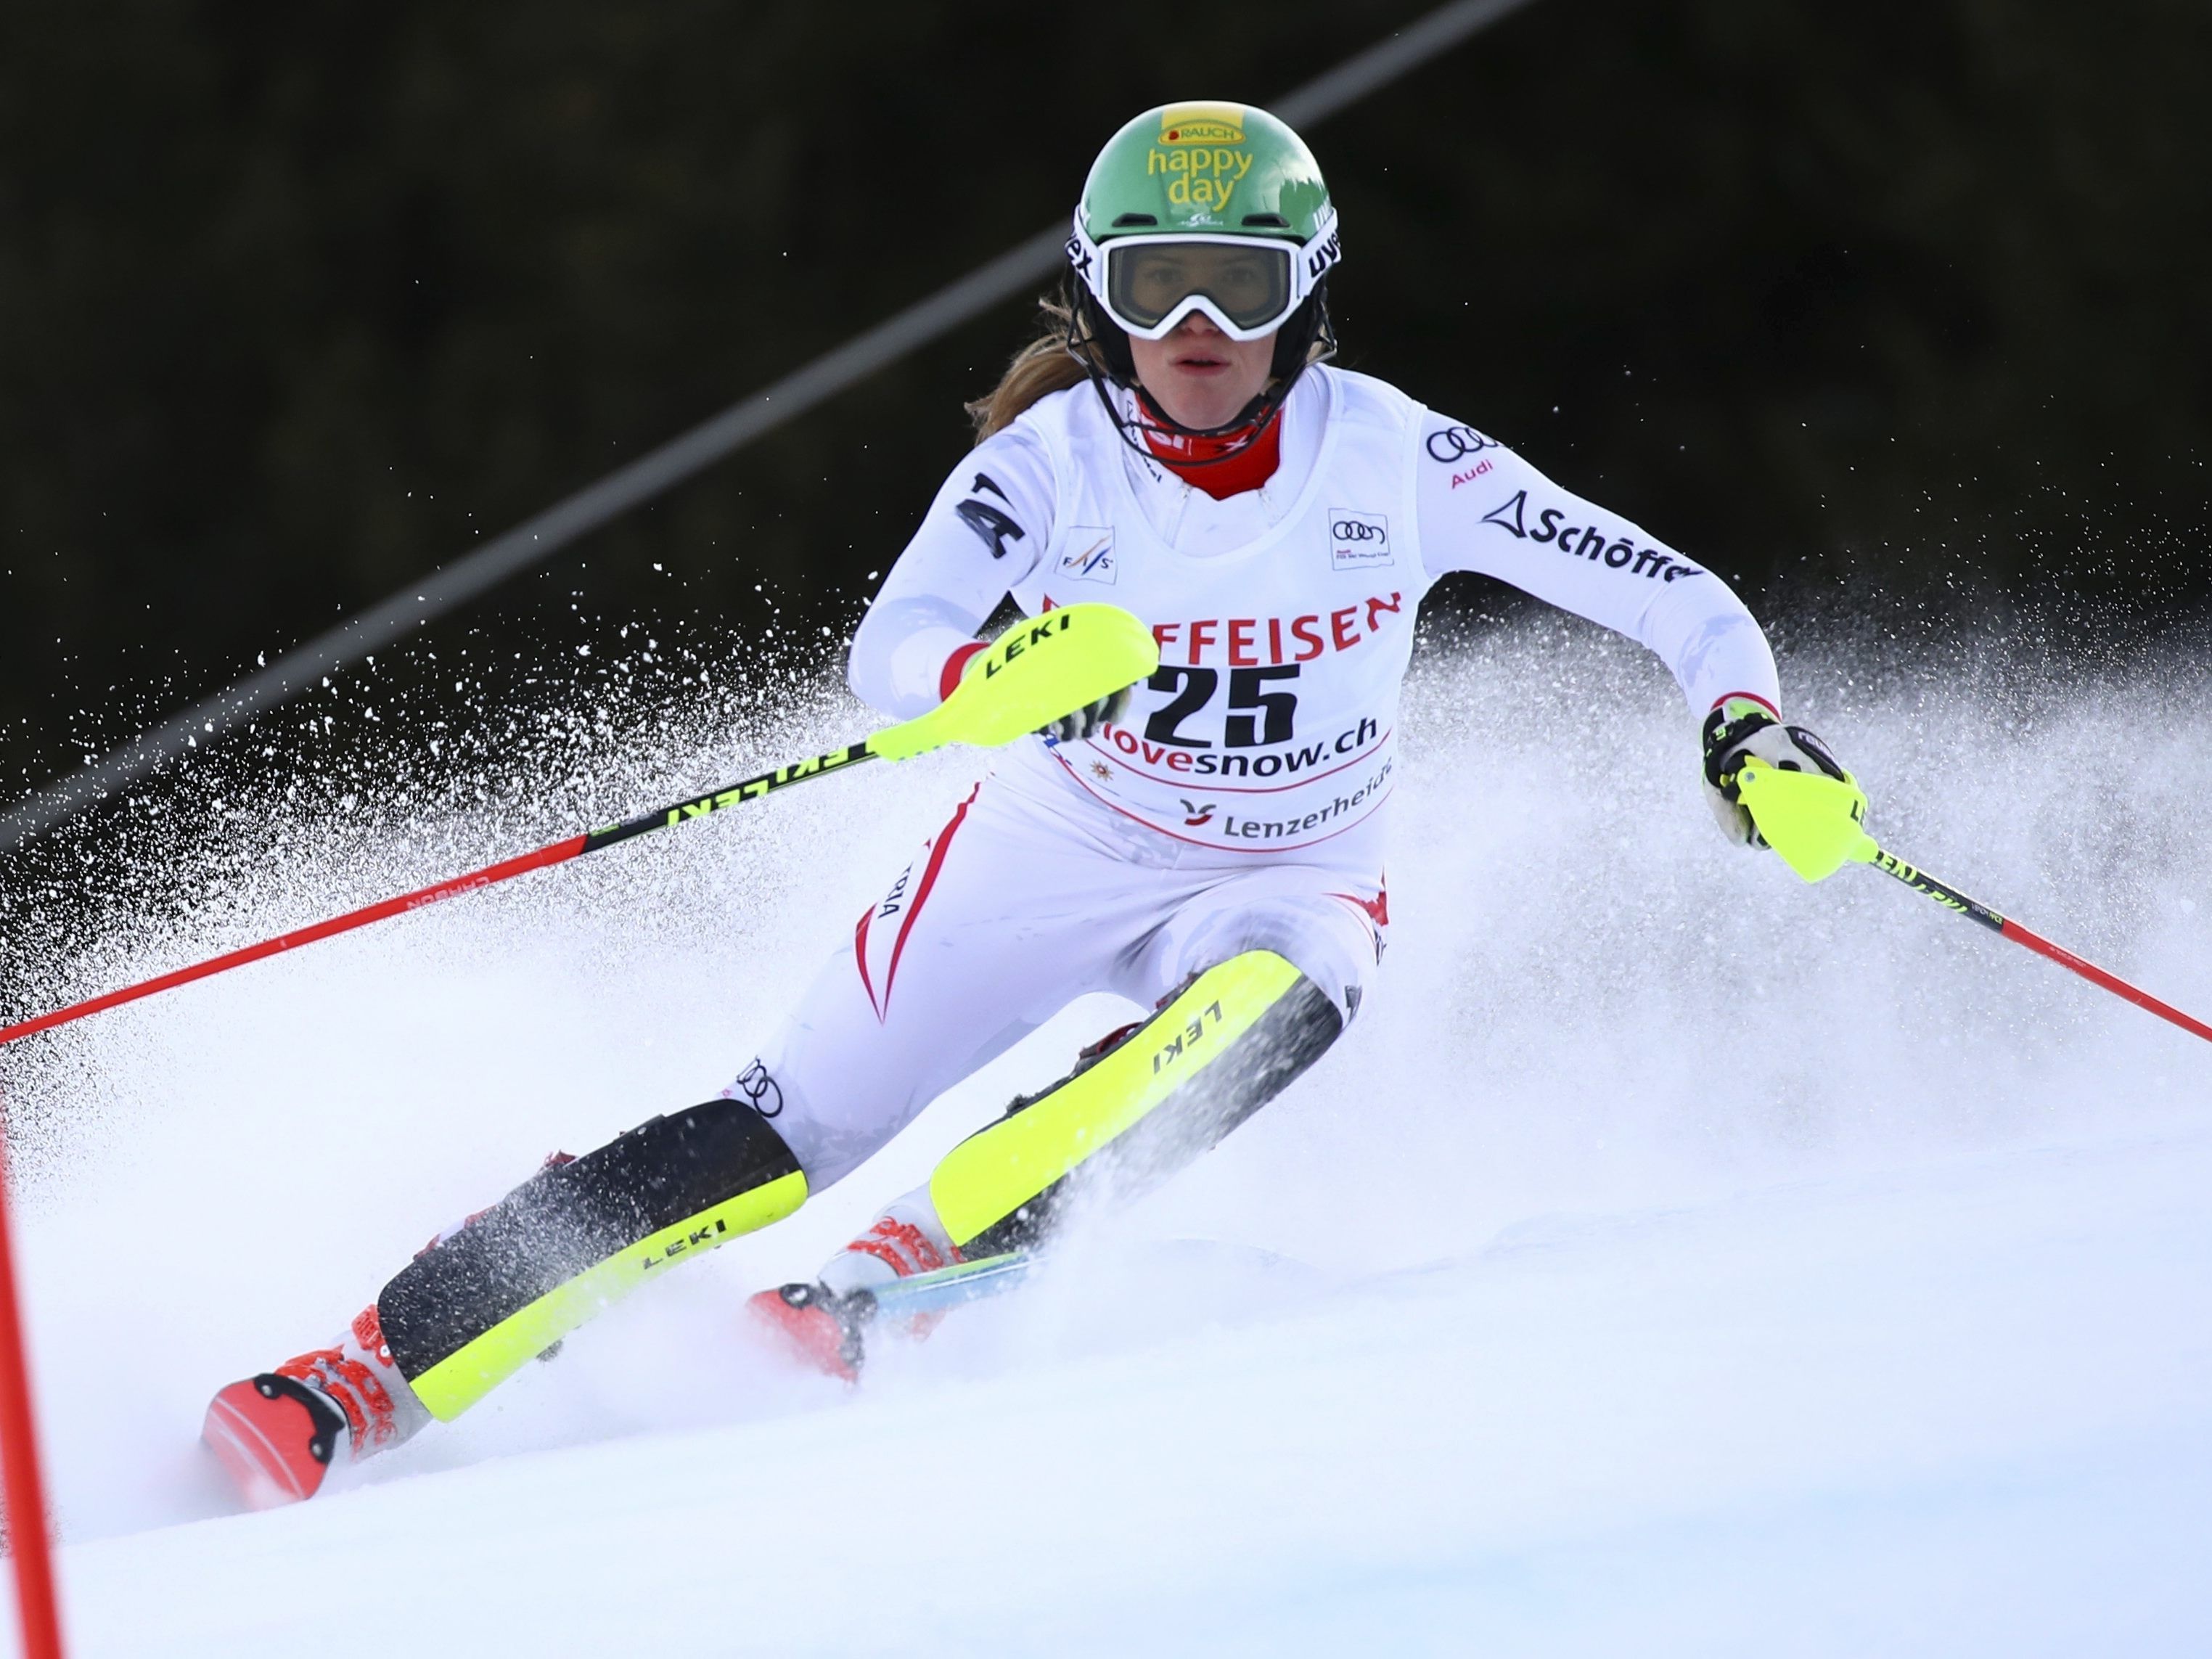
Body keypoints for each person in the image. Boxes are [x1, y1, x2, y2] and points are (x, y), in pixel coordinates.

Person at [202, 101, 1859, 1505]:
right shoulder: (1046, 467)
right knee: (766, 1139)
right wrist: (977, 689)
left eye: (1240, 283)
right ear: (1100, 298)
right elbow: (893, 648)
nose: (1198, 327)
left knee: (1259, 1018)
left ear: (1307, 300)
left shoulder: (1397, 459)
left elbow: (1672, 593)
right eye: (1156, 288)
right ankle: (364, 1370)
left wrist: (1749, 735)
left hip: (1285, 881)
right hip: (1051, 852)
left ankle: (883, 1286)